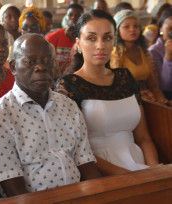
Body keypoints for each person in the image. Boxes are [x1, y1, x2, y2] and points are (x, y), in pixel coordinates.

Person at [0, 33, 101, 197]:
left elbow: (86, 164)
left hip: (78, 196)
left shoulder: (68, 106)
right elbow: (14, 192)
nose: (40, 67)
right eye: (30, 62)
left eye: (47, 61)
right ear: (13, 67)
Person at [54, 10, 161, 176]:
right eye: (91, 38)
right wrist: (127, 177)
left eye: (107, 38)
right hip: (98, 173)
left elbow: (143, 138)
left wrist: (154, 169)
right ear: (79, 44)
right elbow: (74, 149)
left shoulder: (125, 77)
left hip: (139, 166)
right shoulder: (68, 85)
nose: (100, 45)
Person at [111, 9, 168, 105]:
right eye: (126, 27)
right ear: (117, 30)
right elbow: (116, 89)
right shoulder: (115, 54)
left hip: (148, 99)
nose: (132, 29)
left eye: (136, 26)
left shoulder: (142, 51)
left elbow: (153, 85)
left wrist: (162, 101)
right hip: (127, 102)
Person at [46, 3, 83, 74]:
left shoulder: (85, 39)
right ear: (66, 19)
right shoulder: (52, 38)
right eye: (70, 15)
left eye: (77, 16)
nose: (73, 18)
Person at [149, 8, 172, 100]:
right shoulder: (153, 51)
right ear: (161, 28)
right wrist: (168, 56)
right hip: (167, 96)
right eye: (170, 29)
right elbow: (165, 85)